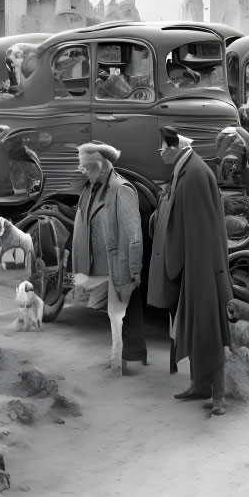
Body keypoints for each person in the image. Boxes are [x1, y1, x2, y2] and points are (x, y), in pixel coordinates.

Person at [148, 126, 232, 415]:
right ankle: (199, 385)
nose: (159, 153)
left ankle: (218, 396)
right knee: (196, 326)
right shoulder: (186, 170)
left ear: (174, 148)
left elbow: (199, 228)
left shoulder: (194, 174)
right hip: (190, 264)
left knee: (208, 328)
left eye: (162, 148)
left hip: (201, 267)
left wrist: (195, 268)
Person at [70, 143, 147, 375]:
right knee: (120, 315)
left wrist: (133, 270)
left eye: (86, 166)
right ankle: (123, 359)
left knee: (119, 316)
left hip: (116, 264)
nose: (82, 170)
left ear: (101, 165)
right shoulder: (91, 187)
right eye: (81, 166)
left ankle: (118, 364)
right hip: (98, 264)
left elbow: (133, 234)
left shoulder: (121, 189)